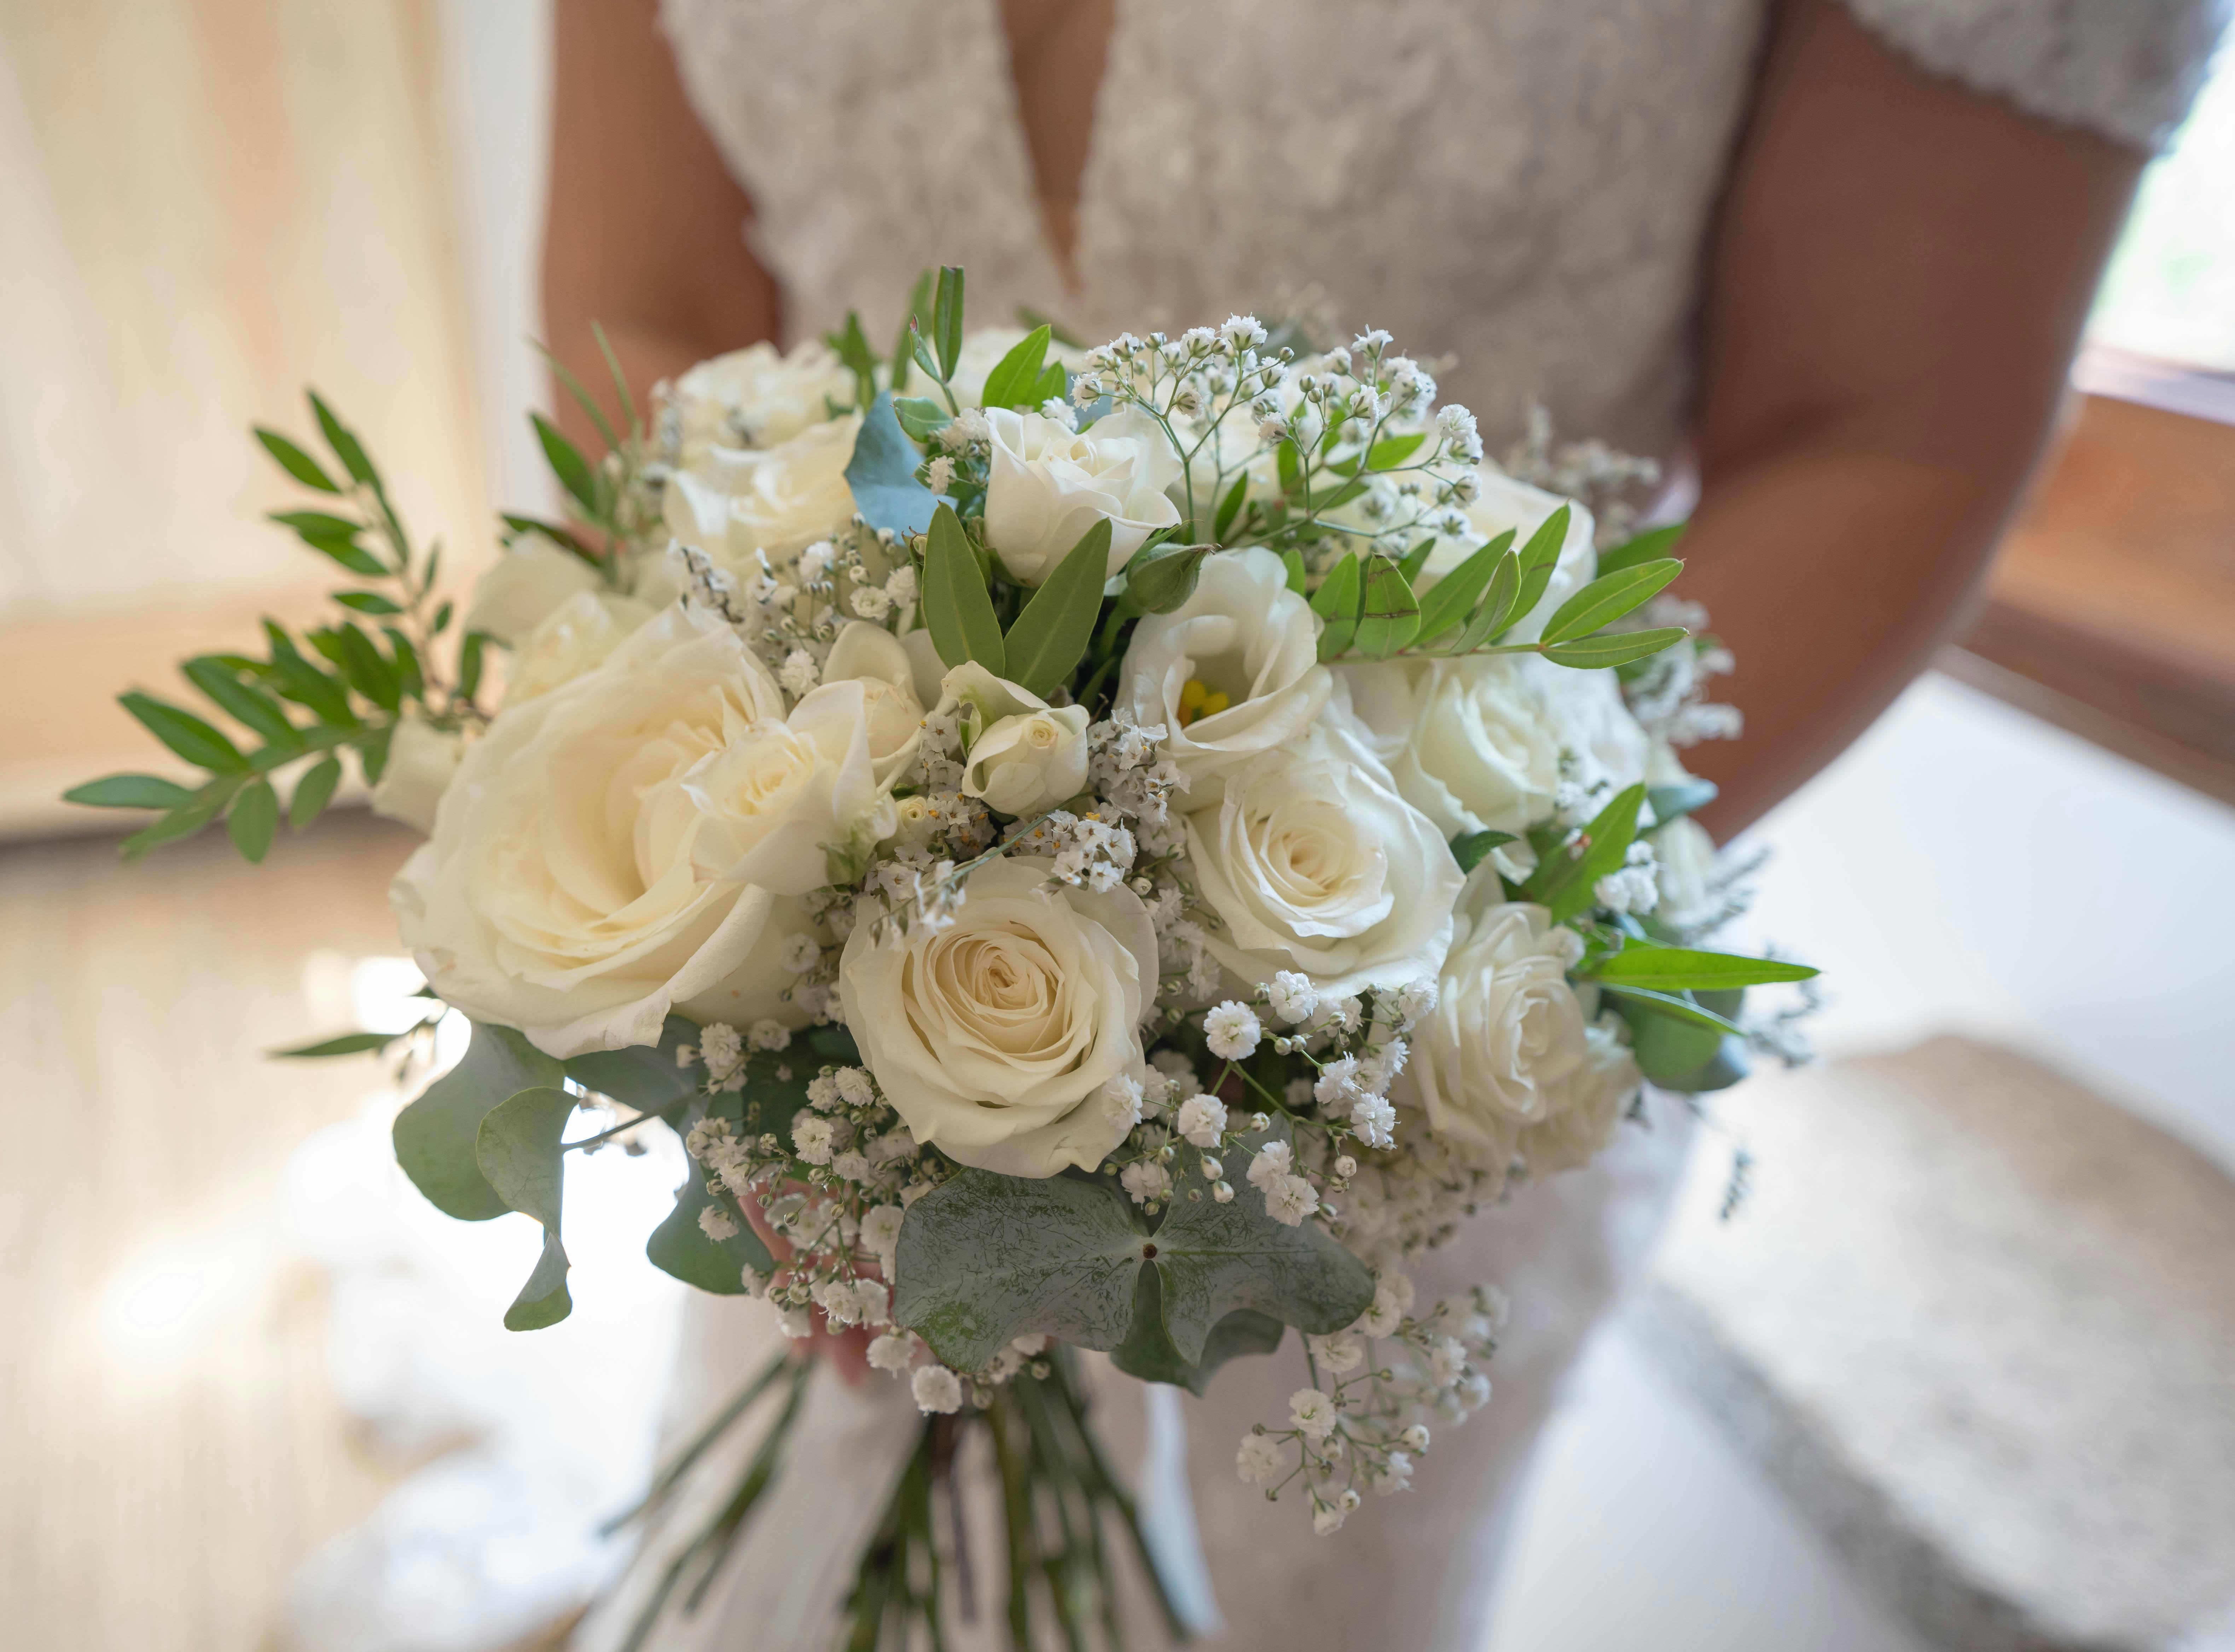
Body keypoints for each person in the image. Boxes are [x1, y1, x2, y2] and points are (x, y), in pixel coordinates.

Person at [541, 2, 2226, 1646]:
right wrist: (785, 951)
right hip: (812, 1010)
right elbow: (649, 302)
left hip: (1393, 1030)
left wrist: (1295, 1010)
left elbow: (1888, 422)